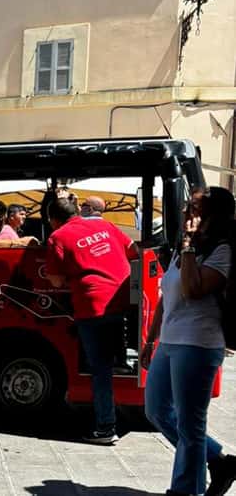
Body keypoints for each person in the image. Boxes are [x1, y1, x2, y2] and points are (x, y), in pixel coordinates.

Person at [142, 186, 236, 496]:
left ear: (212, 215)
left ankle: (186, 490)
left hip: (198, 344)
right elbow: (166, 298)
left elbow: (192, 290)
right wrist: (150, 340)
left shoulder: (221, 250)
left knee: (189, 425)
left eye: (193, 208)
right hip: (170, 342)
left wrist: (189, 248)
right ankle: (218, 460)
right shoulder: (187, 248)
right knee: (156, 410)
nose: (185, 213)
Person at [45, 197, 136, 445]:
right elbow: (133, 251)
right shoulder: (105, 226)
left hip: (92, 305)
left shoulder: (58, 237)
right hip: (120, 300)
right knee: (112, 363)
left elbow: (54, 280)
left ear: (52, 219)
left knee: (101, 369)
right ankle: (115, 411)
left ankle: (105, 427)